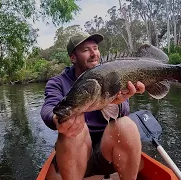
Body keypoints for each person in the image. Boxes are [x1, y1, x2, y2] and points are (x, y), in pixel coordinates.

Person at [40, 31, 145, 180]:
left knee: (127, 125)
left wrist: (117, 102)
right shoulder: (57, 82)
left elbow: (125, 110)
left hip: (107, 153)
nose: (94, 54)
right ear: (73, 58)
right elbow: (48, 109)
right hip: (75, 156)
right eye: (85, 50)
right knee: (75, 129)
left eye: (95, 48)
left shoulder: (110, 72)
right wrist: (56, 119)